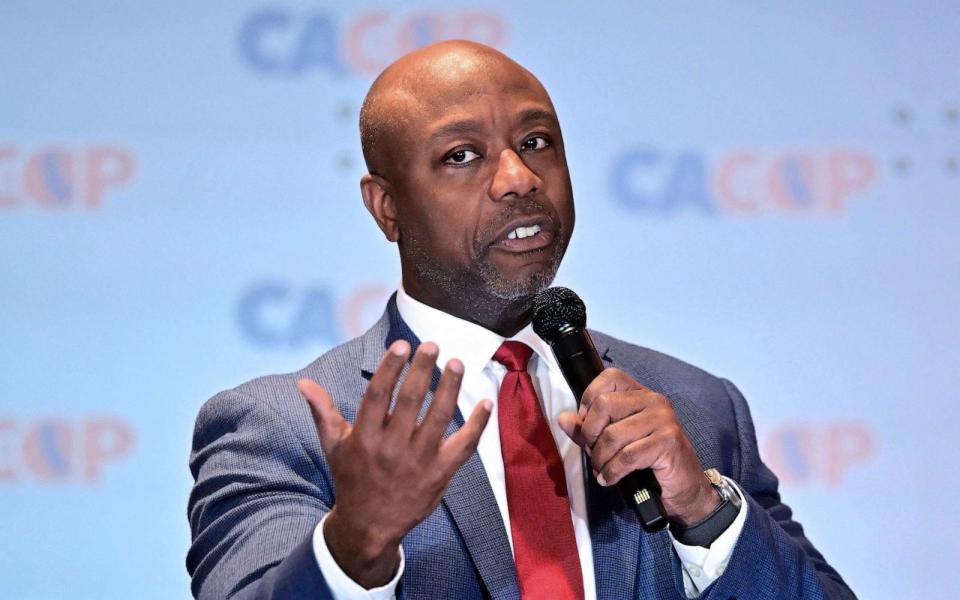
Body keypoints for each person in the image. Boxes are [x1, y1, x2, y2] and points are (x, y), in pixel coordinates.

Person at [187, 40, 855, 600]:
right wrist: (353, 543)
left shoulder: (697, 406)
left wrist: (706, 514)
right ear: (386, 207)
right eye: (462, 155)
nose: (518, 177)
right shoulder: (286, 425)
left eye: (537, 142)